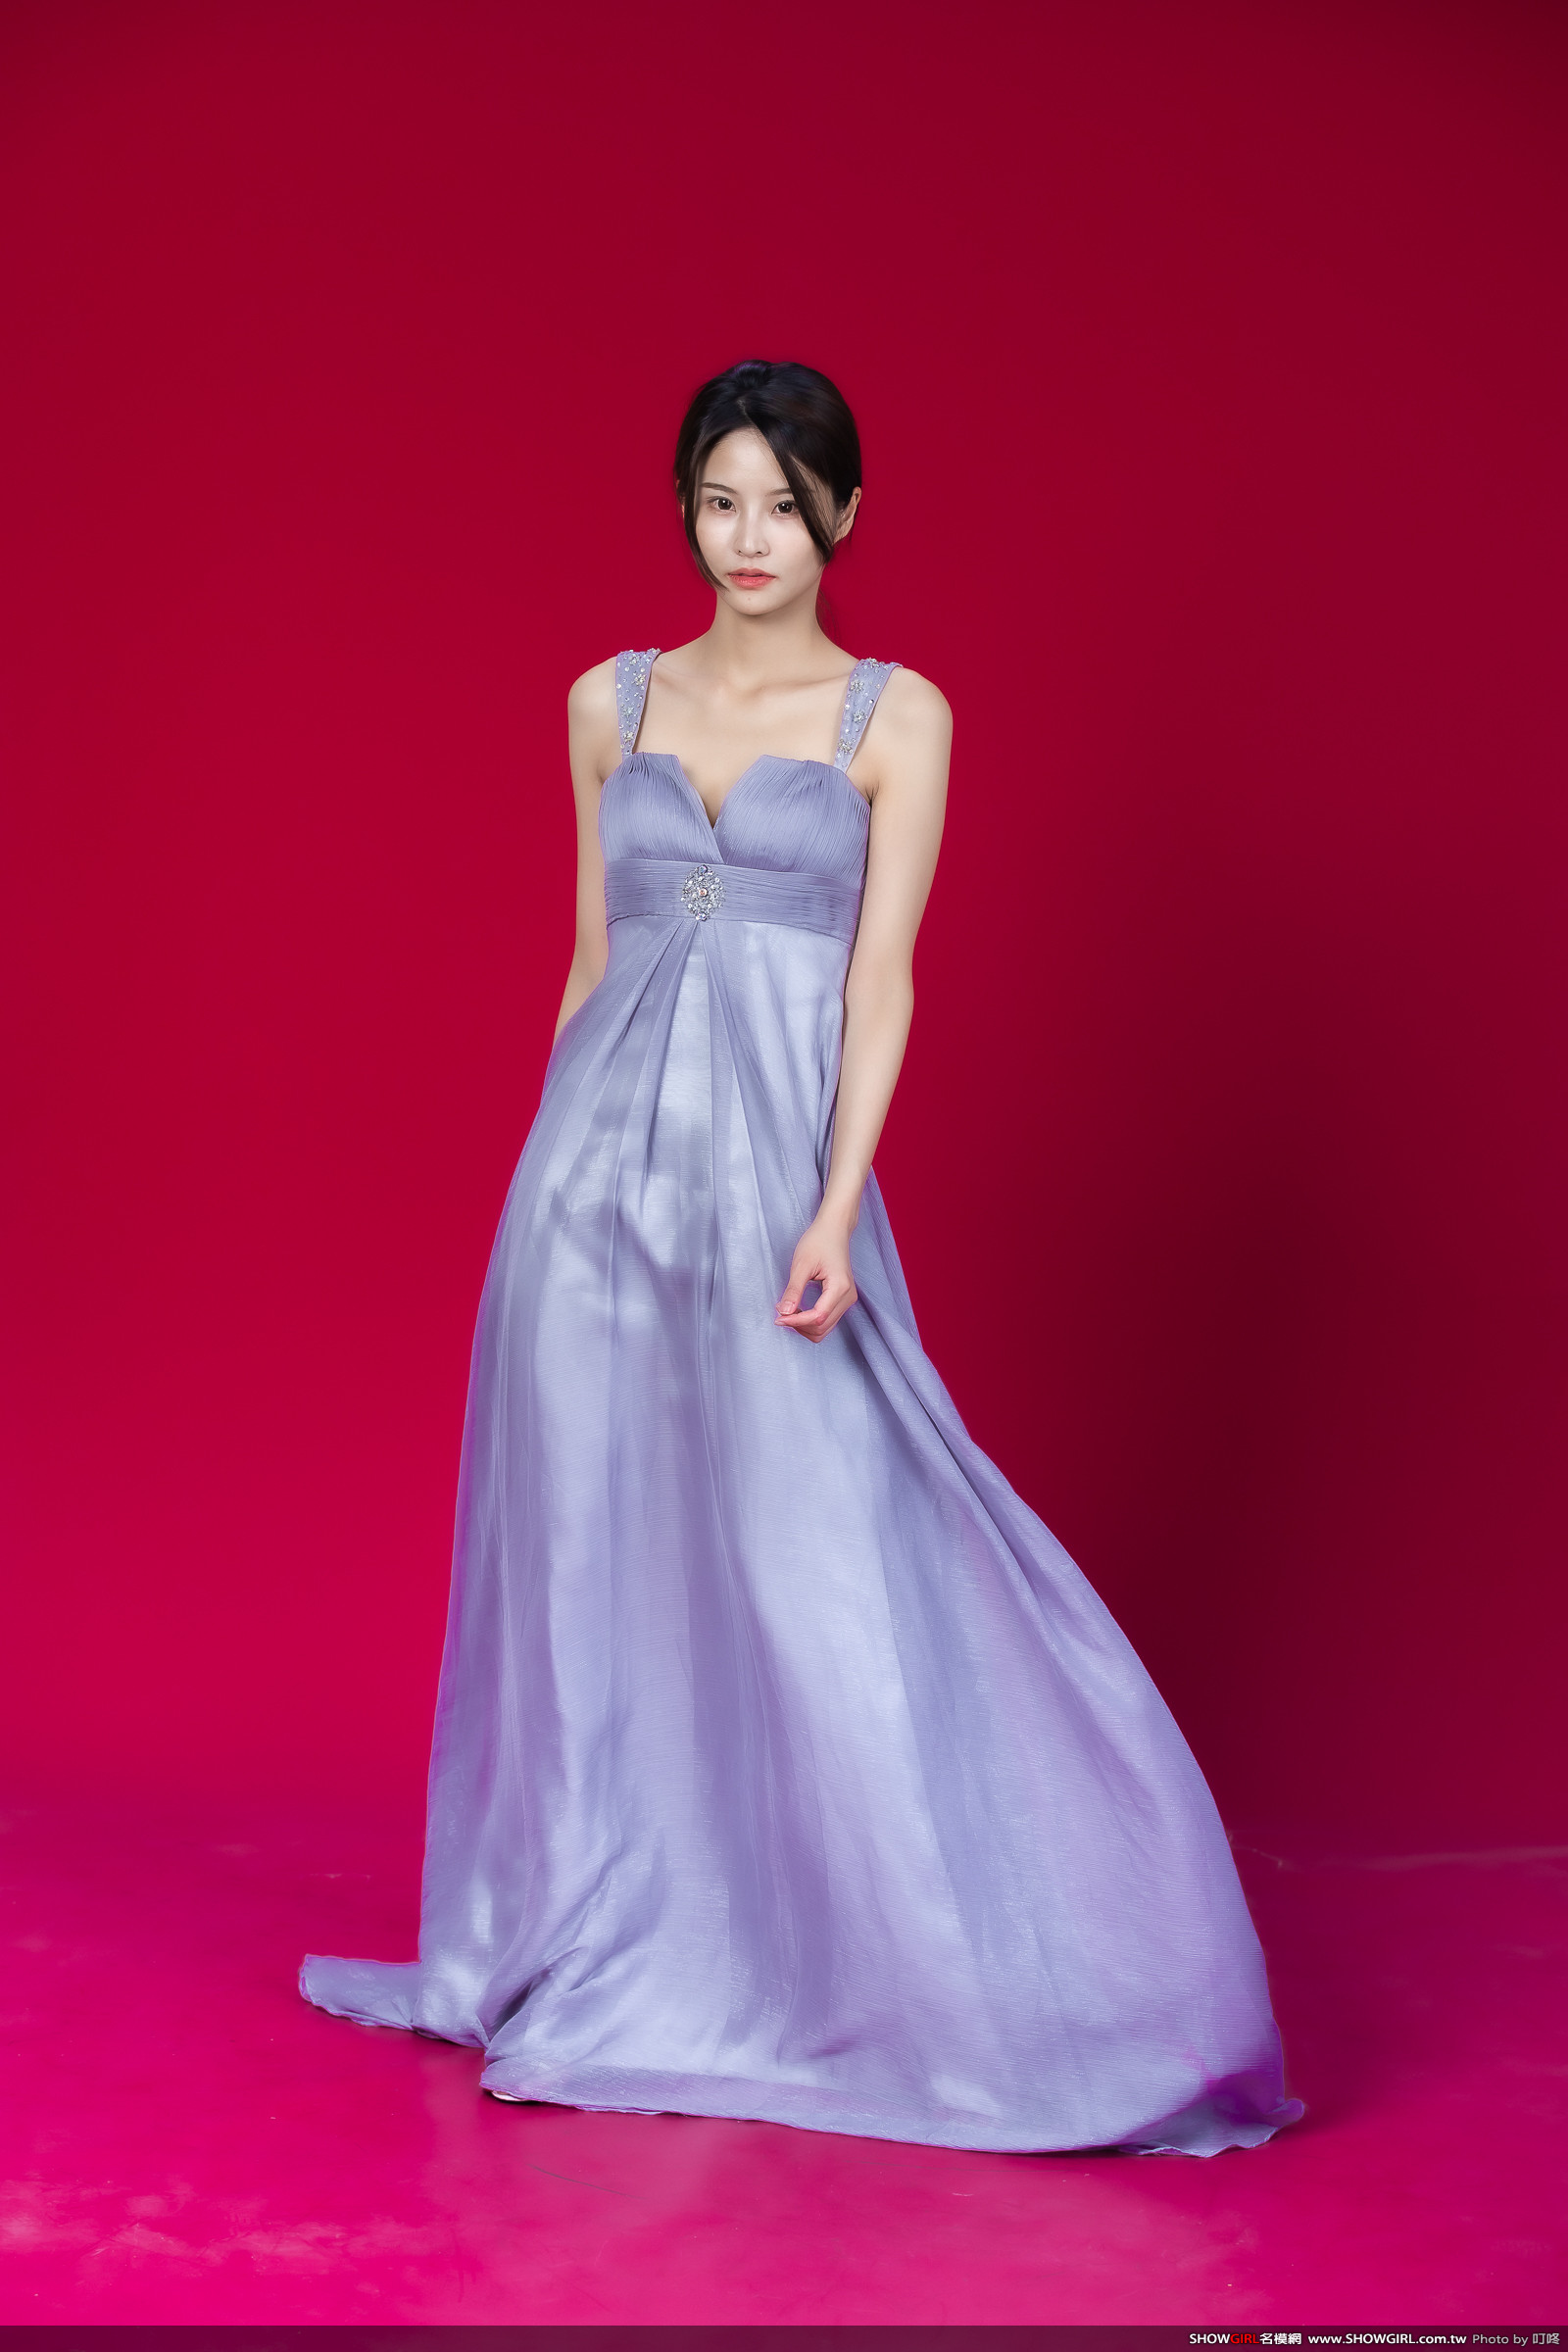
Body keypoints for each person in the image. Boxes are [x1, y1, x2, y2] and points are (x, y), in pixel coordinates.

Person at [301, 359, 1304, 2157]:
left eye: (782, 502)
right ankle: (583, 1925)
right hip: (586, 1197)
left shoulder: (895, 718)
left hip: (778, 1193)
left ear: (847, 511)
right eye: (718, 501)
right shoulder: (608, 701)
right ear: (684, 508)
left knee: (820, 1558)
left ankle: (938, 1969)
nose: (748, 538)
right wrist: (540, 1178)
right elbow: (590, 961)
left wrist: (837, 1206)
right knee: (585, 1562)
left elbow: (881, 981)